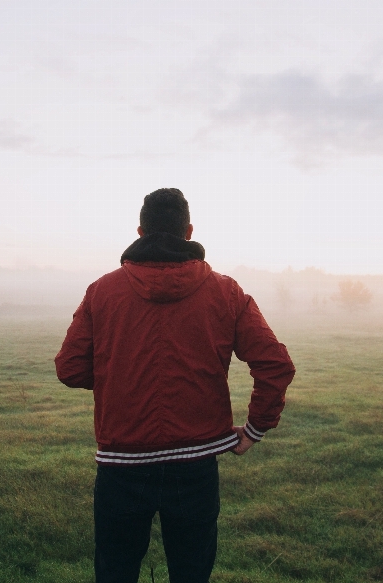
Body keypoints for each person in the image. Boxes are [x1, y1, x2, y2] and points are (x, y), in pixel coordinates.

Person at [55, 188, 296, 583]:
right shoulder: (226, 291)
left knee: (114, 574)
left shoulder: (102, 291)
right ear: (188, 231)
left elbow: (69, 368)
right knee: (191, 575)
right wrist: (254, 430)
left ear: (139, 231)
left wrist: (118, 376)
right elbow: (275, 363)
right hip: (196, 467)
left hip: (121, 467)